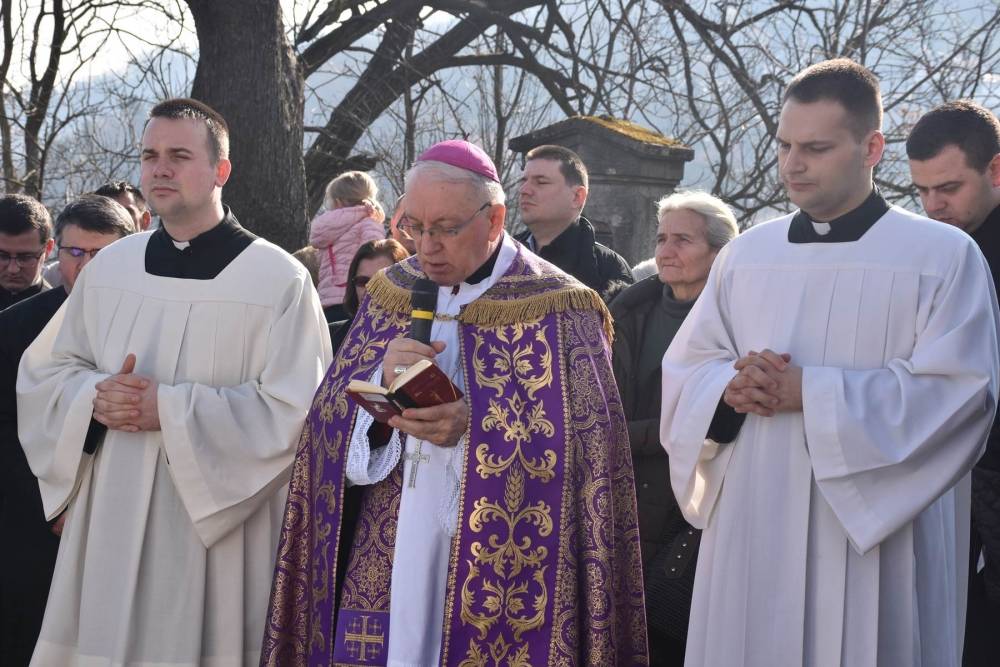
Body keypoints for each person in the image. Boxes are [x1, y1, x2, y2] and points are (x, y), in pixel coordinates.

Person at [660, 59, 999, 666]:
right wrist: (728, 390)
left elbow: (960, 395)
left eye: (816, 148)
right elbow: (689, 369)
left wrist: (807, 393)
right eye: (786, 145)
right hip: (754, 522)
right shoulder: (745, 256)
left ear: (872, 147)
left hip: (874, 538)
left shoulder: (943, 256)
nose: (793, 164)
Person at [261, 139, 647, 666]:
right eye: (412, 227)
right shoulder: (390, 292)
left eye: (444, 228)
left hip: (505, 564)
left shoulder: (562, 307)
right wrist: (378, 383)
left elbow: (591, 457)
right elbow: (325, 423)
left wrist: (476, 424)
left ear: (494, 220)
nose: (425, 247)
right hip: (390, 540)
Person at [16, 98, 332, 666]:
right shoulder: (110, 268)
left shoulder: (277, 280)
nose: (160, 168)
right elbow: (47, 374)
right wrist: (94, 396)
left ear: (221, 170)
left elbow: (298, 412)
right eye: (150, 155)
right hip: (111, 507)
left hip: (217, 523)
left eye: (179, 155)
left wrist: (171, 409)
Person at [0, 194, 135, 667]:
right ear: (58, 251)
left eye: (103, 254)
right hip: (33, 522)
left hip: (125, 514)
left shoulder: (150, 326)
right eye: (76, 253)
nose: (88, 266)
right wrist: (56, 498)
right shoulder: (16, 328)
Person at [611, 190, 738, 666]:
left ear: (720, 251)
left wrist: (625, 434)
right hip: (624, 496)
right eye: (662, 238)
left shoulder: (737, 321)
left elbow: (715, 422)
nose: (666, 250)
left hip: (695, 503)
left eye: (683, 239)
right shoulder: (625, 312)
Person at [906, 100, 1000, 667]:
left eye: (949, 187)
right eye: (921, 190)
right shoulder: (930, 251)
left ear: (996, 170)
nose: (933, 205)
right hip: (950, 483)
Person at [514, 144, 633, 299]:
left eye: (541, 182)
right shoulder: (503, 256)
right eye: (523, 180)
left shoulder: (608, 268)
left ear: (577, 196)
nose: (524, 190)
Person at [310, 170, 386, 322]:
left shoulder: (326, 228)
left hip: (327, 303)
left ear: (337, 202)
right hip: (356, 300)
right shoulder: (369, 223)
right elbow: (376, 259)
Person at [329, 238, 409, 351]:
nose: (370, 290)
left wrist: (398, 369)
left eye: (381, 282)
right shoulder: (332, 337)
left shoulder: (421, 336)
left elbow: (410, 369)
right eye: (363, 281)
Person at [0, 194, 53, 310]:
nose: (12, 269)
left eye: (25, 258)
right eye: (2, 256)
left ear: (48, 248)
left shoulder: (60, 314)